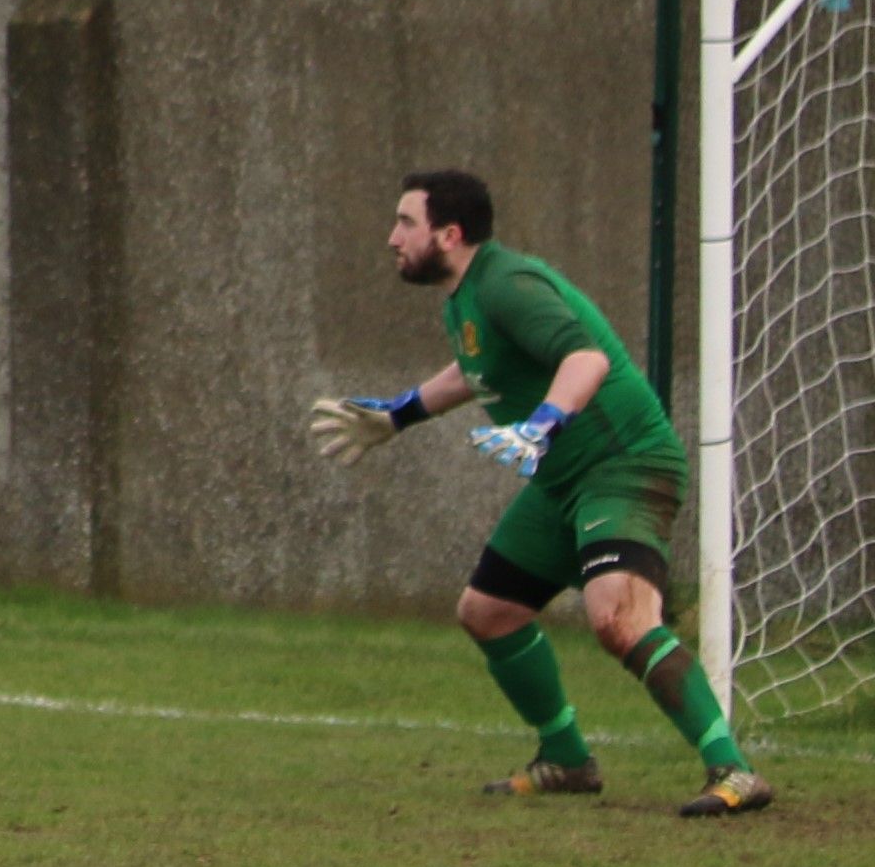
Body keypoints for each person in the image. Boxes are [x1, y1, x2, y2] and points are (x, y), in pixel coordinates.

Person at [305, 170, 773, 817]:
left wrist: (543, 422)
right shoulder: (465, 297)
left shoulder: (508, 284)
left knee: (619, 618)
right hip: (563, 480)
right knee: (487, 610)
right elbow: (477, 371)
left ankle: (734, 769)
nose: (392, 237)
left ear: (450, 233)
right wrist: (398, 415)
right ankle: (568, 760)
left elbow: (587, 360)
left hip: (622, 463)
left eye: (405, 222)